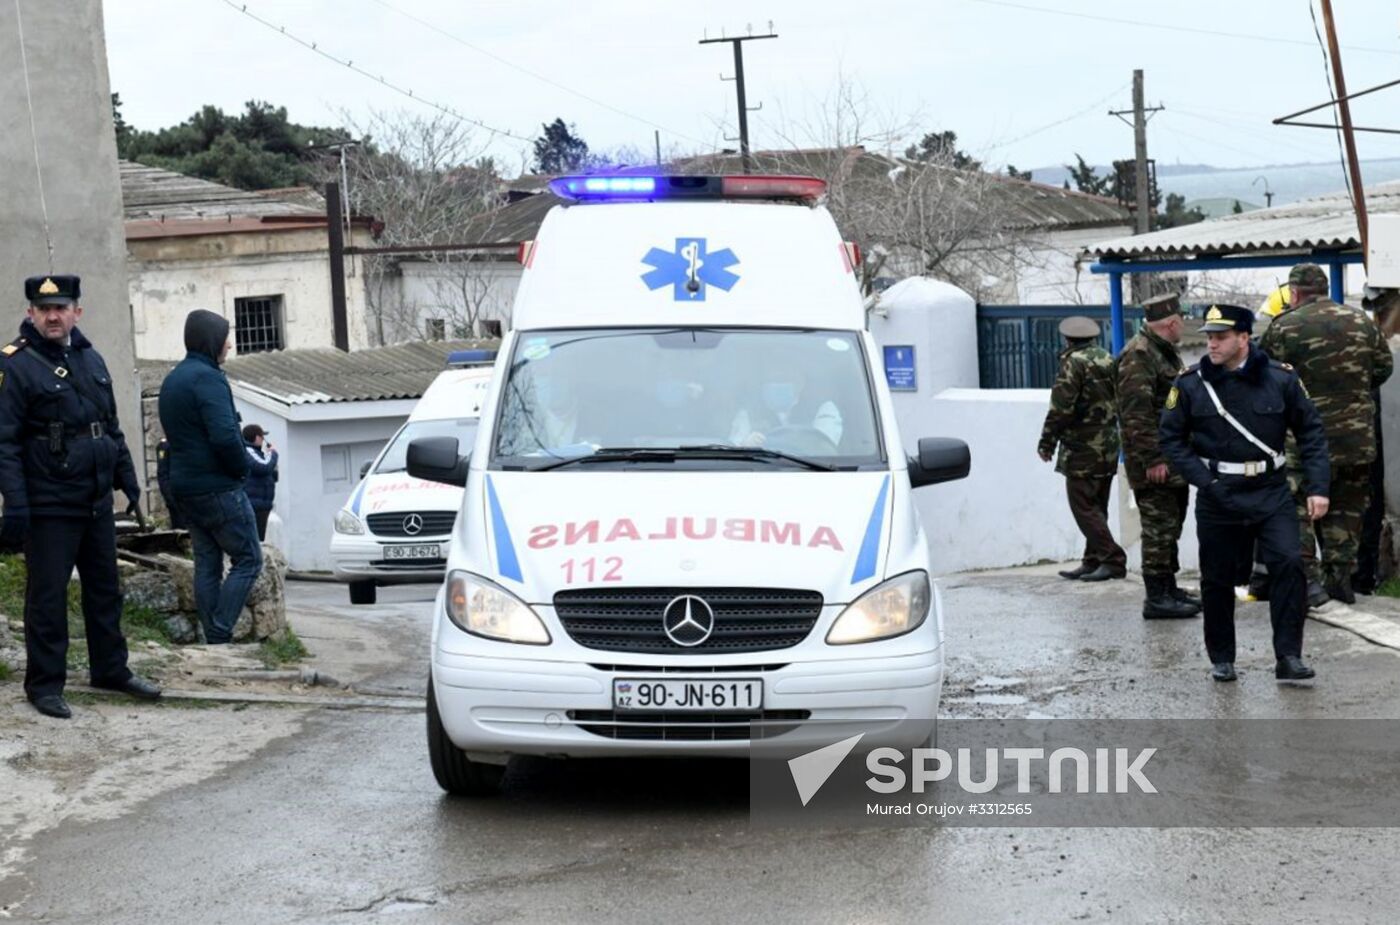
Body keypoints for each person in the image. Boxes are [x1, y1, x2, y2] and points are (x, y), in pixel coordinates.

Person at [0, 274, 161, 718]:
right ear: (31, 313)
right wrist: (15, 503)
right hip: (49, 502)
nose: (53, 316)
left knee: (105, 590)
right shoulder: (15, 365)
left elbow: (109, 426)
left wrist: (127, 477)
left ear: (77, 312)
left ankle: (110, 669)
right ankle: (44, 685)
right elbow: (5, 443)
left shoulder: (91, 359)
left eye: (61, 308)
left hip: (95, 499)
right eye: (44, 309)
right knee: (48, 598)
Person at [1159, 304, 1330, 683]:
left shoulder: (1280, 378)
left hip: (1271, 491)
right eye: (1209, 337)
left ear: (1244, 338)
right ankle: (1222, 657)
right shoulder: (1190, 384)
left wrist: (1318, 488)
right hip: (1218, 493)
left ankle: (1288, 656)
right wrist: (1205, 482)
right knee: (1218, 577)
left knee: (1289, 563)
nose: (1212, 344)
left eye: (1220, 337)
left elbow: (1312, 432)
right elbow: (1171, 439)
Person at [1257, 263, 1393, 605]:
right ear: (1324, 288)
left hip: (1305, 438)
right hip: (1356, 437)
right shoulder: (1362, 322)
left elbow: (1264, 376)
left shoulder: (1284, 327)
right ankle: (1340, 579)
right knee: (1347, 508)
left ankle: (1308, 581)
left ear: (1294, 293)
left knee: (1298, 506)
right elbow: (1383, 368)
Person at [158, 310, 260, 644]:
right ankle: (219, 631)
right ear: (211, 340)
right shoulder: (208, 379)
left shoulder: (173, 379)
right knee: (249, 559)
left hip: (185, 488)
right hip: (218, 487)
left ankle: (212, 638)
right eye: (225, 338)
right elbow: (225, 436)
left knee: (207, 563)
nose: (229, 345)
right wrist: (242, 468)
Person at [1116, 293, 1199, 618]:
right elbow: (1136, 415)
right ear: (1172, 322)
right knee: (1158, 529)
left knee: (1171, 526)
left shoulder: (1162, 351)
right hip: (1156, 463)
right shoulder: (1139, 355)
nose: (1183, 326)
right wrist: (1153, 459)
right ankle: (1156, 598)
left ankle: (1168, 587)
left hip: (1173, 459)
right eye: (1182, 320)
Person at [1038, 316, 1125, 582]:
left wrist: (1047, 442)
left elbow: (1061, 408)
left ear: (1068, 339)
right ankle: (1093, 560)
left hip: (1082, 447)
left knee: (1083, 507)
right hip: (1108, 444)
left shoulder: (1073, 363)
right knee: (1097, 505)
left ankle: (1113, 559)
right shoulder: (1108, 359)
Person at [730, 362, 843, 451]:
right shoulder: (749, 413)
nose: (776, 384)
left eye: (782, 379)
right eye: (771, 380)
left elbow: (824, 449)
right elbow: (732, 450)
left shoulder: (823, 409)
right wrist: (746, 446)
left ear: (800, 381)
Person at [242, 424, 278, 541]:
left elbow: (272, 475)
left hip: (262, 504)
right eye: (262, 437)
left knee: (260, 539)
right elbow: (263, 467)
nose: (263, 441)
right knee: (254, 540)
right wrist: (273, 454)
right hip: (254, 504)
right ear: (257, 437)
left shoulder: (258, 453)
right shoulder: (248, 451)